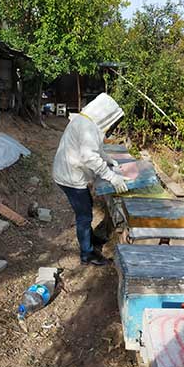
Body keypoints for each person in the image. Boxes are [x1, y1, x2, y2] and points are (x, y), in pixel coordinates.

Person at [52, 93, 129, 266]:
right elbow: (89, 157)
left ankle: (90, 239)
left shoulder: (87, 122)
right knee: (84, 215)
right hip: (70, 178)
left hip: (69, 173)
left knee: (87, 205)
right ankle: (87, 254)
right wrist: (112, 177)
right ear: (105, 113)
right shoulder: (87, 126)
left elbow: (96, 149)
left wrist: (107, 158)